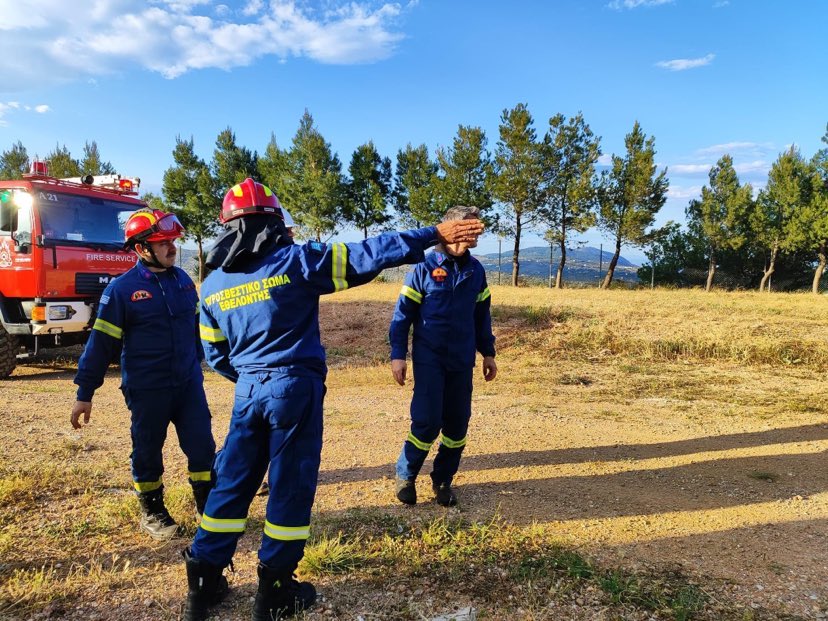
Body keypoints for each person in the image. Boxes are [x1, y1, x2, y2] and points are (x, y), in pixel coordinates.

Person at [181, 178, 484, 621]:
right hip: (294, 390)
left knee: (232, 483)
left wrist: (252, 377)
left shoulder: (211, 286)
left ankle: (203, 580)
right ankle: (276, 589)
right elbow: (368, 254)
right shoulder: (296, 262)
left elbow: (215, 355)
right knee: (289, 486)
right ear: (275, 223)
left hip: (247, 391)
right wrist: (433, 234)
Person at [70, 208, 216, 541]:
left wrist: (203, 362)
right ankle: (152, 512)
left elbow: (197, 330)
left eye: (173, 241)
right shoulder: (122, 290)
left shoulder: (182, 282)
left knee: (202, 447)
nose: (172, 248)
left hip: (188, 385)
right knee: (148, 450)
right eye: (163, 243)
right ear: (141, 248)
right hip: (148, 390)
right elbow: (101, 344)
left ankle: (207, 506)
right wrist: (84, 393)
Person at [390, 205, 497, 507]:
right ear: (453, 229)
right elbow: (402, 316)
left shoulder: (476, 270)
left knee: (457, 425)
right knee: (426, 422)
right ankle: (406, 474)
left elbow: (481, 315)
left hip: (462, 361)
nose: (477, 231)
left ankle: (442, 480)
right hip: (430, 359)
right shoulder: (423, 269)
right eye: (470, 226)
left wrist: (488, 353)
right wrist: (398, 355)